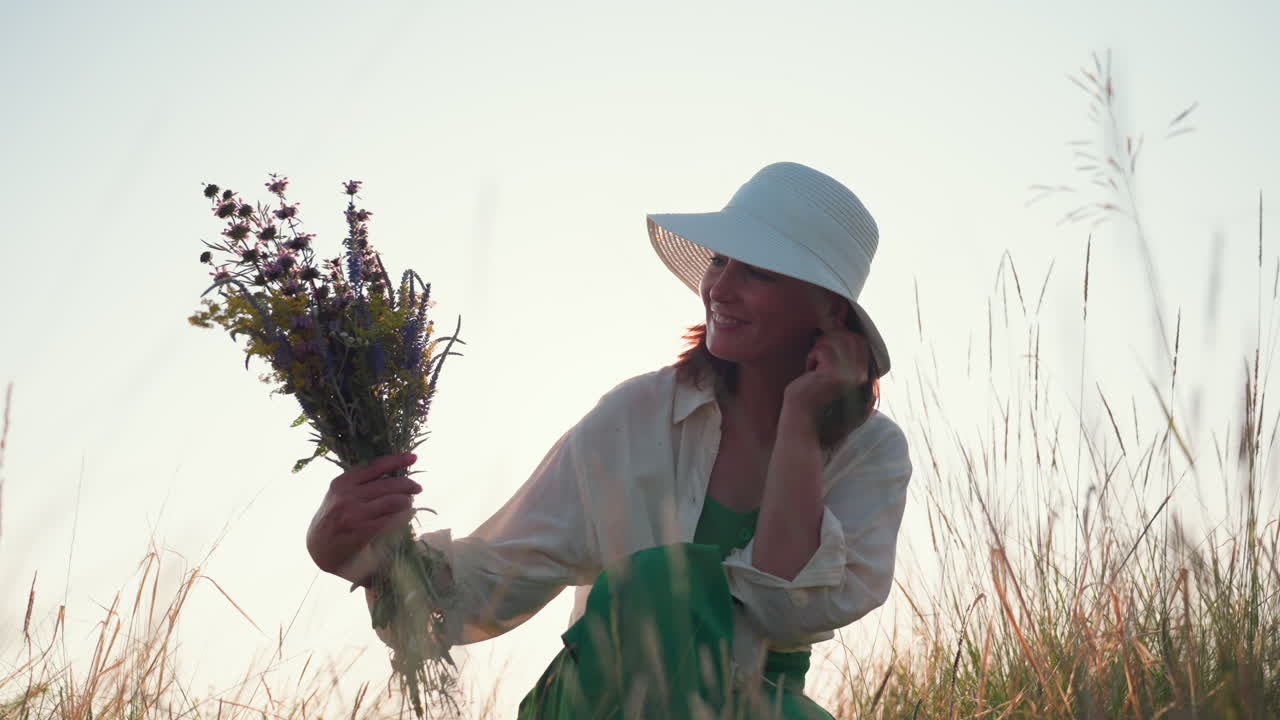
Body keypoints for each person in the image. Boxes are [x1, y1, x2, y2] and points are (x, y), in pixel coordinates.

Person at [306, 162, 913, 718]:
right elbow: (486, 588)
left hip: (755, 708)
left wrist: (802, 420)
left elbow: (788, 609)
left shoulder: (871, 453)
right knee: (656, 589)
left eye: (755, 271)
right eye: (721, 262)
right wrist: (364, 557)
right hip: (607, 701)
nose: (720, 288)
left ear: (831, 312)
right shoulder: (637, 417)